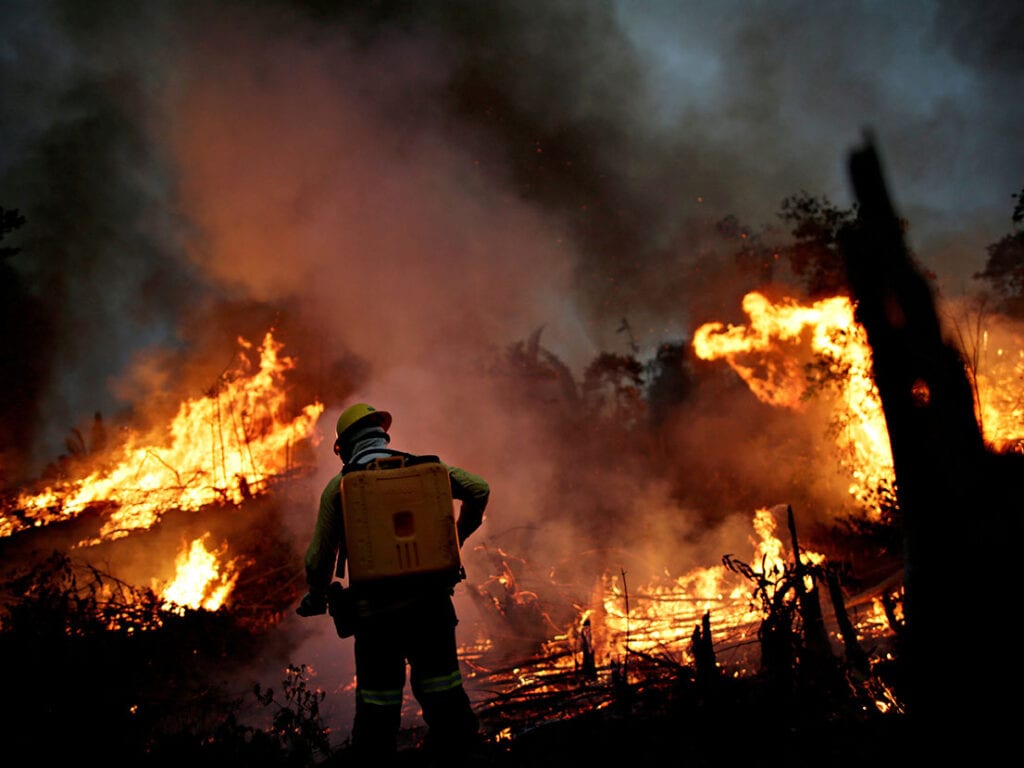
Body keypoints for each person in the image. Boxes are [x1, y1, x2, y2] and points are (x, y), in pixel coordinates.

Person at [296, 403, 490, 765]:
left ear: (345, 447)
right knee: (444, 692)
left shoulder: (341, 487)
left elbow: (317, 560)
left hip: (376, 619)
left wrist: (317, 595)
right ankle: (464, 759)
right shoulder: (428, 470)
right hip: (432, 610)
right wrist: (457, 537)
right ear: (382, 435)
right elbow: (479, 488)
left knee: (377, 705)